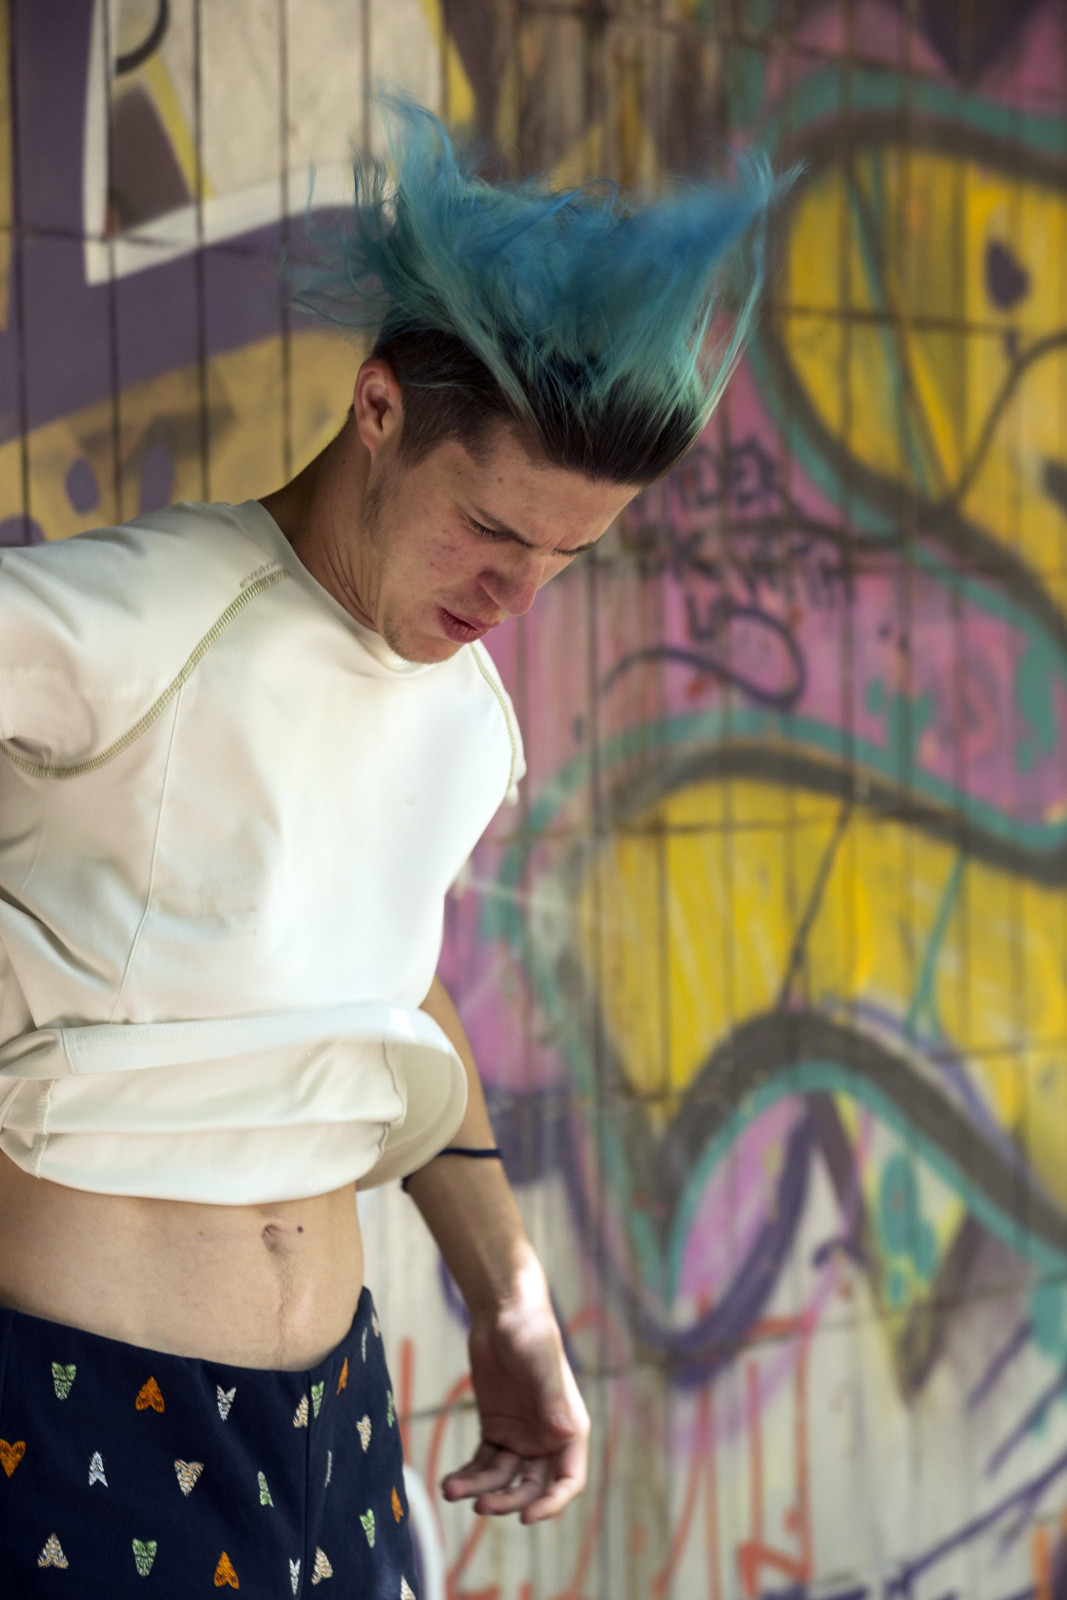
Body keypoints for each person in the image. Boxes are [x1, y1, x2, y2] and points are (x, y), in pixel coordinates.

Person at [0, 98, 780, 1595]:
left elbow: (388, 994)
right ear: (378, 411)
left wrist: (509, 1301)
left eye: (566, 556)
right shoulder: (141, 617)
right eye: (492, 530)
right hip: (78, 1421)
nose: (516, 596)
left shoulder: (466, 719)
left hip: (338, 1429)